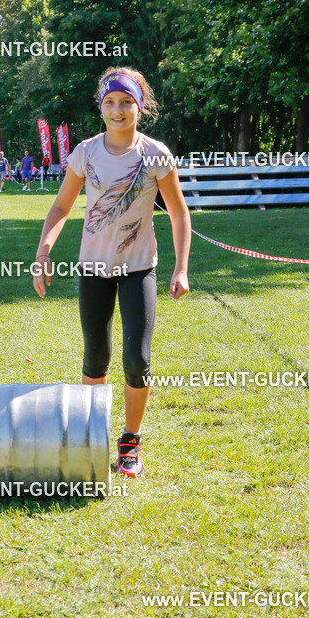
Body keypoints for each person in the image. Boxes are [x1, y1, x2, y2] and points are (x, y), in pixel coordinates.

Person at [32, 67, 190, 479]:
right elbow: (62, 206)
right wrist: (43, 251)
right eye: (109, 102)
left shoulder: (155, 154)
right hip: (94, 270)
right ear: (100, 107)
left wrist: (181, 267)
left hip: (139, 269)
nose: (118, 110)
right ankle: (91, 436)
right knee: (95, 356)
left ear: (140, 106)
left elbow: (178, 211)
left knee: (136, 360)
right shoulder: (85, 152)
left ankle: (130, 440)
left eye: (126, 102)